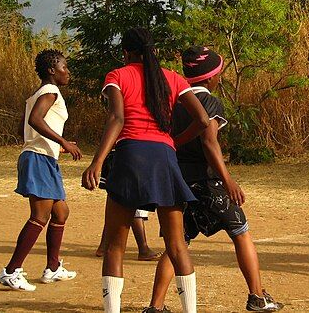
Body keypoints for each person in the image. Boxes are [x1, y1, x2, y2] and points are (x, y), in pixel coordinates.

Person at [143, 46, 284, 313]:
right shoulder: (209, 103)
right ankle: (257, 295)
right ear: (210, 77)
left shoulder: (173, 100)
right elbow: (209, 142)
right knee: (240, 232)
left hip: (177, 179)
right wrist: (228, 179)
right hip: (206, 181)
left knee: (176, 244)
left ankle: (156, 306)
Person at [81, 28, 210, 312]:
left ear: (126, 52)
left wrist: (97, 161)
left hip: (130, 156)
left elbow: (117, 117)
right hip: (164, 158)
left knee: (116, 245)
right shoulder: (174, 78)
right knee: (177, 245)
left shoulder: (118, 75)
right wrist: (173, 142)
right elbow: (202, 119)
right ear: (153, 50)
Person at [0, 49, 82, 291]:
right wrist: (63, 141)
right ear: (51, 71)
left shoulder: (37, 93)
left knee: (61, 213)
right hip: (38, 159)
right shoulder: (51, 91)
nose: (68, 72)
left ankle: (52, 268)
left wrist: (55, 145)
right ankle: (11, 271)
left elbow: (27, 126)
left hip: (41, 156)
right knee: (40, 216)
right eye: (64, 68)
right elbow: (35, 120)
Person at [95, 156, 164, 262]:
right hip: (130, 160)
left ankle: (104, 246)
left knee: (117, 204)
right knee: (134, 205)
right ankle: (143, 249)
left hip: (118, 158)